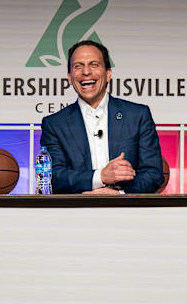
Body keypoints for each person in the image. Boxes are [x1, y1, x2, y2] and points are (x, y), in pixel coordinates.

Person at [40, 40, 164, 194]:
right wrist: (101, 177)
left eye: (94, 65)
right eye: (78, 66)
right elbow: (53, 177)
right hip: (75, 213)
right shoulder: (54, 124)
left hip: (128, 212)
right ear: (70, 77)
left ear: (108, 74)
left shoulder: (138, 115)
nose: (86, 72)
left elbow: (154, 174)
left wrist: (119, 194)